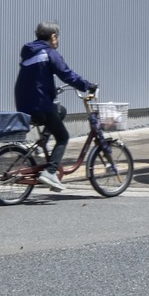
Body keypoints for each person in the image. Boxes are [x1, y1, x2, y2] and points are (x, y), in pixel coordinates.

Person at [14, 21, 96, 192]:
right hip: (40, 105)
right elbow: (66, 74)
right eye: (57, 37)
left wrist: (50, 88)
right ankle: (51, 172)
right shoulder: (50, 53)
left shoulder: (29, 52)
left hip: (24, 104)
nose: (57, 40)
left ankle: (43, 142)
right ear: (53, 37)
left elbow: (36, 76)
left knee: (61, 110)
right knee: (63, 137)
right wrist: (87, 85)